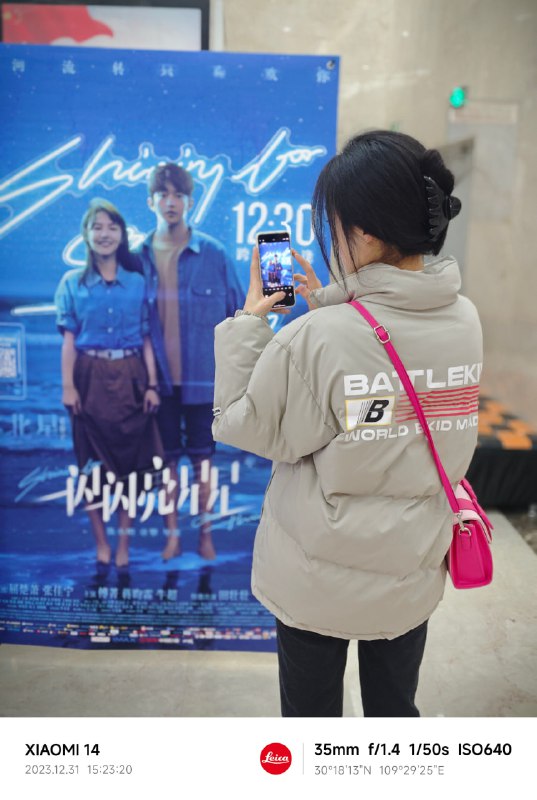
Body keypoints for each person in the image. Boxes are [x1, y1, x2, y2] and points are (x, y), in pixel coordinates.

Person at [212, 130, 482, 717]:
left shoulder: (319, 337)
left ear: (364, 233)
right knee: (394, 713)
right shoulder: (465, 319)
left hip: (318, 580)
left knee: (312, 726)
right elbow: (393, 402)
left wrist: (250, 321)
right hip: (411, 566)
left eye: (334, 224)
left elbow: (240, 423)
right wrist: (335, 302)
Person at [138, 163, 245, 561]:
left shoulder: (214, 254)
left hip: (205, 381)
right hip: (159, 382)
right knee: (166, 464)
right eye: (163, 194)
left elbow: (238, 317)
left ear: (190, 202)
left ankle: (205, 535)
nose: (171, 202)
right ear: (151, 202)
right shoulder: (138, 258)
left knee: (203, 463)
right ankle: (172, 536)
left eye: (178, 194)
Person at [55, 198, 164, 569]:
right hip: (89, 377)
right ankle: (101, 543)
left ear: (121, 234)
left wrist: (152, 385)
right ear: (86, 234)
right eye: (97, 227)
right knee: (91, 467)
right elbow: (69, 341)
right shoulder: (71, 284)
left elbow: (146, 338)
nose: (104, 234)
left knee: (131, 467)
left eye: (111, 227)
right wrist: (68, 386)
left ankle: (123, 545)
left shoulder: (138, 283)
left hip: (131, 375)